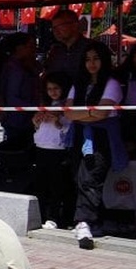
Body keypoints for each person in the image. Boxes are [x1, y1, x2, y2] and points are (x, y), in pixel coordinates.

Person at [65, 42, 125, 250]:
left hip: (102, 138)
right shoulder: (78, 84)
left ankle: (84, 222)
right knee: (79, 177)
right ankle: (89, 220)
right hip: (79, 136)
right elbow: (69, 112)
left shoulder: (112, 84)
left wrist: (83, 115)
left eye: (96, 58)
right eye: (88, 59)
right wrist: (90, 114)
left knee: (91, 178)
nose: (92, 63)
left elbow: (103, 112)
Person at [32, 73, 75, 229]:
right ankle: (41, 215)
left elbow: (69, 129)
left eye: (56, 88)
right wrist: (36, 122)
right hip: (41, 149)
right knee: (41, 185)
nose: (53, 92)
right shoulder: (45, 104)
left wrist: (57, 121)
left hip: (59, 150)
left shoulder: (68, 106)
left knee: (58, 186)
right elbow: (38, 130)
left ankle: (55, 217)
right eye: (49, 89)